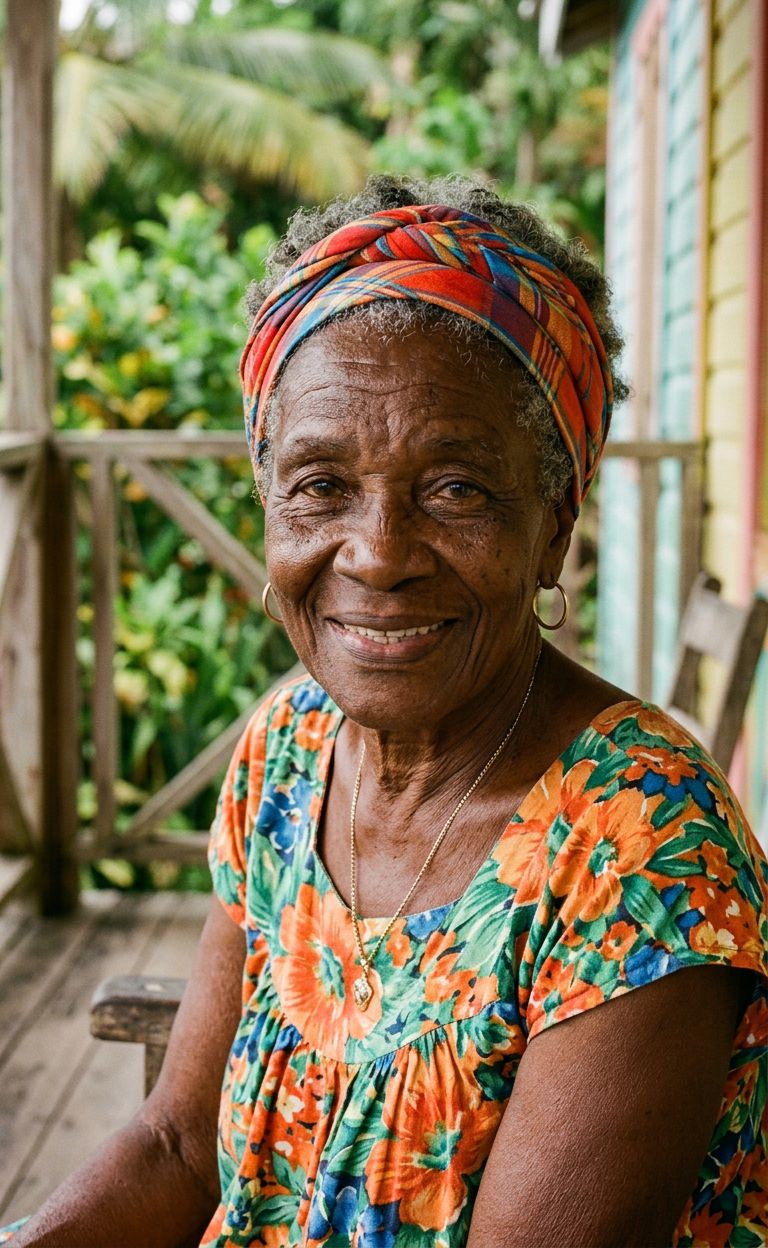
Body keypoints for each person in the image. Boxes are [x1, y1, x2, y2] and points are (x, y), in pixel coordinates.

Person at [4, 175, 767, 1248]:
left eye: (456, 488)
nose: (376, 554)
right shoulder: (289, 749)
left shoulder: (641, 850)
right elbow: (178, 1144)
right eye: (320, 484)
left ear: (554, 527)